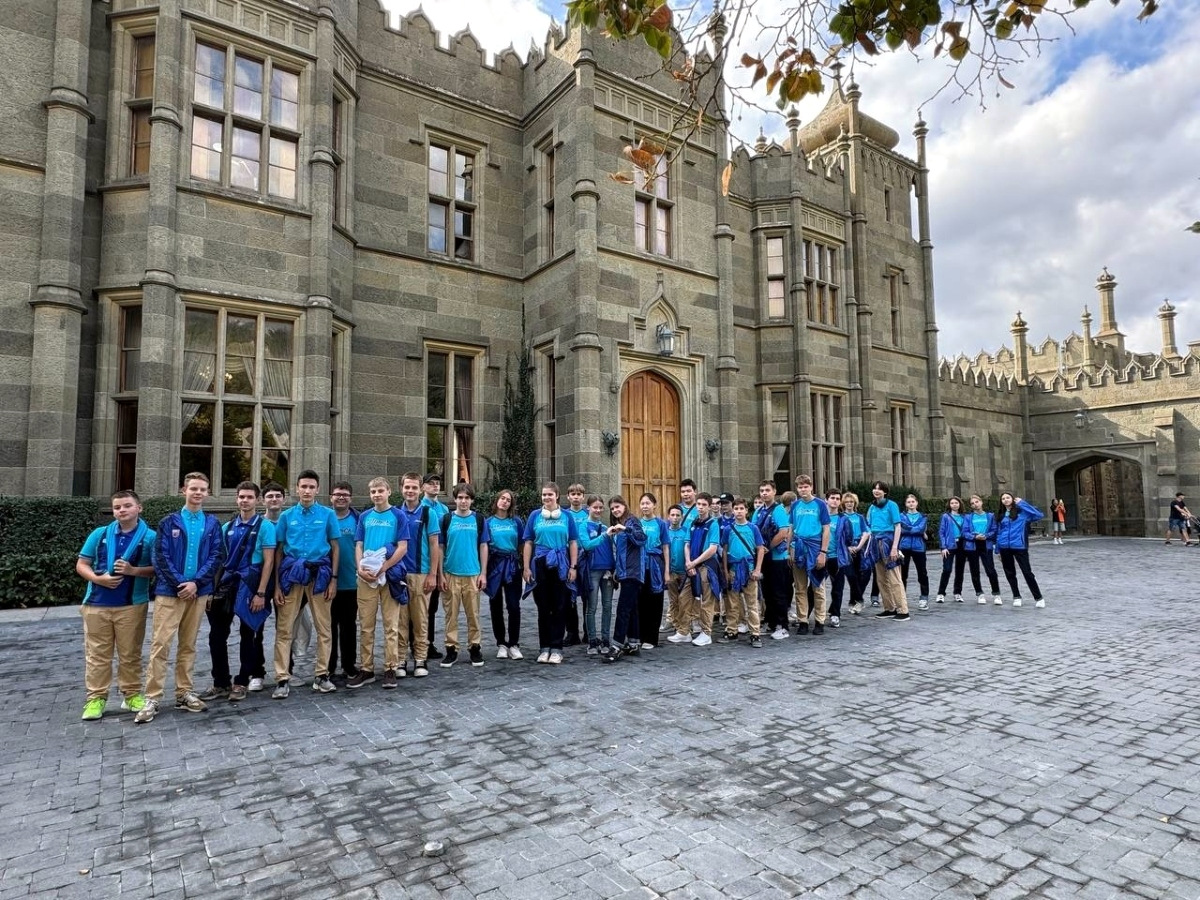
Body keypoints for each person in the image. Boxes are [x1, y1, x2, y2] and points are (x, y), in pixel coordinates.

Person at [135, 472, 225, 724]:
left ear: (207, 493)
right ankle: (152, 697)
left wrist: (196, 583)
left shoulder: (212, 523)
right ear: (183, 490)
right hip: (170, 593)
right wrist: (179, 583)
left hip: (198, 593)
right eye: (193, 488)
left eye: (202, 489)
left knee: (188, 644)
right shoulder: (169, 522)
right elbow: (160, 557)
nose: (198, 493)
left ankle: (184, 692)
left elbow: (216, 555)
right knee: (161, 645)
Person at [75, 490, 156, 720]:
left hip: (131, 604)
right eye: (117, 507)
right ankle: (96, 698)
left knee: (130, 653)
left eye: (127, 505)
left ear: (139, 508)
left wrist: (133, 571)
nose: (122, 510)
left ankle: (131, 694)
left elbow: (158, 569)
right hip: (96, 603)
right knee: (97, 654)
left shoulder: (150, 537)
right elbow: (82, 564)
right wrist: (97, 579)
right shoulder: (99, 534)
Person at [204, 482, 276, 703]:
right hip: (227, 585)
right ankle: (221, 682)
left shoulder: (265, 527)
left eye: (249, 497)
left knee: (249, 635)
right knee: (216, 636)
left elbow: (268, 562)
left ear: (257, 500)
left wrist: (261, 593)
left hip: (251, 585)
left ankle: (242, 681)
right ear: (236, 499)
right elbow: (220, 561)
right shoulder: (227, 527)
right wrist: (212, 591)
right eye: (241, 496)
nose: (245, 500)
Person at [271, 469, 340, 698]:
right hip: (292, 575)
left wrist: (333, 580)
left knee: (324, 628)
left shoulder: (328, 515)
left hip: (319, 575)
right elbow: (279, 550)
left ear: (317, 489)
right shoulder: (286, 516)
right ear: (297, 488)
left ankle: (322, 675)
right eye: (304, 486)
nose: (307, 491)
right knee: (284, 628)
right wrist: (277, 585)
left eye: (311, 487)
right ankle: (282, 678)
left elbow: (335, 547)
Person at [348, 476, 409, 689]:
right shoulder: (365, 516)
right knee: (366, 625)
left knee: (391, 625)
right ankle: (367, 669)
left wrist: (384, 567)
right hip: (366, 577)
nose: (377, 495)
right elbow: (358, 545)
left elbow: (403, 547)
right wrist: (360, 569)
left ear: (389, 492)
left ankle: (391, 667)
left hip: (389, 576)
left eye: (380, 491)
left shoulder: (398, 515)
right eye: (373, 492)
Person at [522, 482, 579, 665]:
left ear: (557, 496)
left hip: (561, 564)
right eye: (544, 494)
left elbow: (573, 542)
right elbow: (528, 542)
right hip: (540, 563)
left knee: (560, 606)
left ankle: (556, 648)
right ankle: (544, 647)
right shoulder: (535, 516)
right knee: (543, 607)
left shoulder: (567, 516)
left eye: (550, 494)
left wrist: (573, 567)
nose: (546, 497)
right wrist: (526, 567)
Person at [439, 482, 489, 668]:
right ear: (455, 499)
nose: (463, 501)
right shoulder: (446, 519)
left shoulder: (479, 519)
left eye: (467, 498)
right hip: (451, 573)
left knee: (473, 614)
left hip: (472, 573)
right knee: (450, 615)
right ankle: (451, 648)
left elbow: (483, 546)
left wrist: (483, 573)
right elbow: (440, 547)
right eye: (460, 497)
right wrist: (440, 574)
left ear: (472, 500)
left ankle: (475, 647)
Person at [397, 472, 441, 678]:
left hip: (421, 573)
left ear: (420, 489)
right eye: (407, 487)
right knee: (400, 620)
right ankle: (400, 660)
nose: (410, 491)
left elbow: (434, 545)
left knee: (421, 619)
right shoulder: (395, 513)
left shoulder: (427, 513)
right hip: (399, 574)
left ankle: (420, 658)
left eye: (414, 487)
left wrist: (433, 574)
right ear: (401, 488)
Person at [603, 495, 645, 662]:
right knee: (631, 607)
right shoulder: (618, 525)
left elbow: (641, 539)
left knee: (623, 609)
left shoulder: (632, 521)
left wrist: (626, 529)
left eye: (617, 506)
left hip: (633, 572)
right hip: (624, 573)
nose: (615, 510)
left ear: (624, 506)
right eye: (612, 508)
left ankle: (616, 646)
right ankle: (634, 643)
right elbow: (620, 552)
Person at [484, 489, 525, 660]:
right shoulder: (488, 522)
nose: (505, 502)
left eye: (508, 500)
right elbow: (484, 545)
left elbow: (522, 544)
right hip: (494, 564)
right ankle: (501, 643)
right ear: (497, 500)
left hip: (512, 564)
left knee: (513, 605)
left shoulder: (516, 522)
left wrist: (524, 565)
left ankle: (514, 644)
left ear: (511, 504)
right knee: (495, 604)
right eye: (502, 498)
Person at [719, 497, 764, 648]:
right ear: (733, 511)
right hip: (733, 569)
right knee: (732, 603)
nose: (738, 511)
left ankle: (755, 632)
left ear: (746, 511)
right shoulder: (728, 529)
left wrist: (757, 569)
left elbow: (760, 549)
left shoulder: (753, 528)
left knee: (752, 603)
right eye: (736, 509)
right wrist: (725, 570)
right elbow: (724, 550)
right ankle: (732, 629)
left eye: (741, 509)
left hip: (749, 569)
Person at [789, 475, 830, 636]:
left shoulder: (820, 504)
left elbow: (826, 529)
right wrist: (789, 550)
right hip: (799, 548)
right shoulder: (795, 505)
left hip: (815, 547)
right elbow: (791, 528)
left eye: (805, 486)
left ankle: (820, 620)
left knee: (818, 587)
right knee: (800, 588)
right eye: (800, 487)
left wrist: (823, 552)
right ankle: (803, 620)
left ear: (811, 487)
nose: (803, 490)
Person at [328, 481, 360, 683]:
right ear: (331, 497)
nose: (341, 497)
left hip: (351, 582)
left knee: (349, 626)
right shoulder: (325, 518)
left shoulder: (358, 519)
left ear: (351, 498)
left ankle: (349, 665)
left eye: (345, 494)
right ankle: (328, 666)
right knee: (328, 627)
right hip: (327, 583)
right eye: (337, 494)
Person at [681, 492, 721, 647]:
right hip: (692, 566)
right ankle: (684, 631)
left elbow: (712, 548)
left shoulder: (713, 524)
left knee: (706, 601)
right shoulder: (693, 523)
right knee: (684, 597)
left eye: (704, 505)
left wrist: (694, 563)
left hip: (706, 567)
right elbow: (687, 544)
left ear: (709, 507)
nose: (701, 507)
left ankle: (706, 632)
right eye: (698, 504)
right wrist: (688, 562)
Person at [754, 481, 793, 640]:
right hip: (763, 558)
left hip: (777, 558)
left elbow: (783, 532)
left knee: (778, 592)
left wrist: (768, 547)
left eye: (767, 490)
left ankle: (782, 626)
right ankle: (771, 622)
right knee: (767, 593)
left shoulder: (778, 510)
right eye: (762, 490)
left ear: (774, 492)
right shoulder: (758, 511)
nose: (764, 493)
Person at [866, 481, 909, 622]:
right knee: (881, 578)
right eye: (874, 488)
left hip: (888, 542)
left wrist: (894, 547)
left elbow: (897, 526)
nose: (876, 491)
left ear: (885, 492)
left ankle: (903, 610)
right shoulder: (872, 507)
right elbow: (869, 525)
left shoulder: (892, 505)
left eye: (879, 489)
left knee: (894, 578)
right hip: (875, 542)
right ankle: (889, 608)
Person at [995, 493, 1046, 608]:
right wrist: (997, 550)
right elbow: (999, 532)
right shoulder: (1001, 515)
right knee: (1010, 573)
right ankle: (1016, 596)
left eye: (1008, 497)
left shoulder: (1022, 513)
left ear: (1013, 499)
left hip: (1019, 546)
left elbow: (1038, 515)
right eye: (1003, 498)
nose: (1005, 500)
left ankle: (1038, 597)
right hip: (1004, 547)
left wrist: (1022, 503)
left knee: (1027, 572)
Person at [579, 494, 615, 655]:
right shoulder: (583, 526)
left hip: (607, 571)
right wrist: (605, 535)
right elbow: (587, 545)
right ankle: (592, 640)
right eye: (595, 507)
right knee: (591, 607)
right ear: (588, 508)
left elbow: (611, 550)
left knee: (607, 606)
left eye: (601, 507)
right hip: (592, 570)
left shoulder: (606, 527)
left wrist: (613, 569)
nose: (598, 510)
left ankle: (606, 639)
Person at [635, 493, 670, 649]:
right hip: (640, 567)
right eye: (642, 503)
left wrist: (667, 570)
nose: (645, 506)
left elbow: (665, 547)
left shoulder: (661, 524)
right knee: (641, 601)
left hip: (656, 565)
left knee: (655, 601)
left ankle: (651, 637)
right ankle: (640, 635)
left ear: (654, 505)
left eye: (648, 503)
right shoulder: (637, 523)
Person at [420, 474, 449, 660]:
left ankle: (428, 643)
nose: (435, 486)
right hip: (422, 562)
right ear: (423, 487)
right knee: (419, 607)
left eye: (438, 483)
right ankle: (418, 642)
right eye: (431, 483)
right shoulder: (420, 507)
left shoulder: (444, 509)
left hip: (439, 562)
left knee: (432, 607)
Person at [835, 492, 870, 615]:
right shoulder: (841, 517)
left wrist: (859, 546)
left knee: (859, 576)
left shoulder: (860, 517)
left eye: (851, 502)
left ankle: (852, 602)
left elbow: (866, 532)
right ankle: (860, 600)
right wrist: (847, 547)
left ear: (855, 503)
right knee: (851, 576)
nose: (849, 504)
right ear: (843, 504)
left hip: (859, 547)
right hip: (846, 549)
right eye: (847, 502)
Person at [564, 483, 590, 645]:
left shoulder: (588, 514)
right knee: (569, 595)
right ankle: (572, 632)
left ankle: (588, 632)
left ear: (583, 497)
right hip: (568, 557)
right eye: (573, 494)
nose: (576, 497)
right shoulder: (564, 514)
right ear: (568, 497)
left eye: (579, 494)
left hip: (586, 557)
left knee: (588, 596)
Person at [964, 494, 1001, 605]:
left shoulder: (990, 516)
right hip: (973, 545)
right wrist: (974, 536)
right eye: (972, 503)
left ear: (981, 502)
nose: (975, 504)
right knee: (975, 571)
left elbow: (994, 530)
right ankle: (979, 593)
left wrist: (986, 535)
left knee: (990, 570)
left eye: (976, 502)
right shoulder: (968, 517)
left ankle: (996, 594)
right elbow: (964, 532)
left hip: (986, 544)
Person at [664, 504, 691, 643]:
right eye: (672, 515)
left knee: (684, 601)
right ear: (668, 517)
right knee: (673, 601)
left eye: (677, 515)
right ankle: (676, 625)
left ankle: (685, 628)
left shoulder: (686, 531)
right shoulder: (665, 532)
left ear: (682, 517)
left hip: (685, 572)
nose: (675, 518)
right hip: (671, 572)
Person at [899, 494, 930, 611]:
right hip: (904, 546)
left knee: (922, 573)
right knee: (903, 573)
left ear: (917, 503)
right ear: (906, 504)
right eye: (909, 502)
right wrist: (915, 529)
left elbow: (921, 529)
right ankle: (901, 598)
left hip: (919, 547)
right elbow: (901, 529)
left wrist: (909, 529)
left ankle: (924, 597)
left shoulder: (923, 516)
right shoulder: (901, 516)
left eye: (913, 501)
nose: (911, 504)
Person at [935, 497, 967, 604]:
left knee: (960, 570)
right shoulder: (946, 516)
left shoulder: (964, 516)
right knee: (947, 569)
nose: (954, 505)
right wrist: (943, 547)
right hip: (949, 545)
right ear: (949, 505)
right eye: (952, 503)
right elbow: (941, 532)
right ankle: (941, 593)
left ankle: (958, 592)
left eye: (956, 503)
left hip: (962, 545)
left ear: (960, 504)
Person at [823, 489, 845, 628]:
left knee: (837, 587)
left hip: (837, 557)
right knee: (815, 587)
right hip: (822, 556)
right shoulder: (821, 517)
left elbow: (848, 537)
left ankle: (835, 614)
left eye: (837, 498)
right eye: (832, 498)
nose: (835, 501)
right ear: (826, 500)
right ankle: (806, 615)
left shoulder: (843, 519)